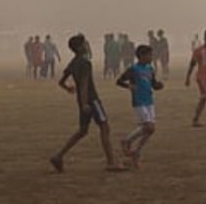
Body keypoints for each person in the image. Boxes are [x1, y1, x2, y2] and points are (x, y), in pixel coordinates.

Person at [49, 34, 123, 173]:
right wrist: (85, 104)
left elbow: (61, 81)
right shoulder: (85, 63)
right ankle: (111, 162)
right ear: (79, 47)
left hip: (83, 101)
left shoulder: (74, 62)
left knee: (82, 131)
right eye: (85, 43)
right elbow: (84, 84)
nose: (87, 45)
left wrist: (68, 88)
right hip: (92, 100)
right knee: (104, 127)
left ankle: (59, 156)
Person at [117, 44, 164, 168]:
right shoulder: (133, 69)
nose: (151, 57)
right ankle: (128, 143)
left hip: (149, 101)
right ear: (141, 56)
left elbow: (153, 84)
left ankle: (134, 149)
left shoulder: (150, 68)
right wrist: (129, 86)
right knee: (149, 127)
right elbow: (119, 81)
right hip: (139, 101)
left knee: (150, 130)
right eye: (149, 55)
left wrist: (158, 85)